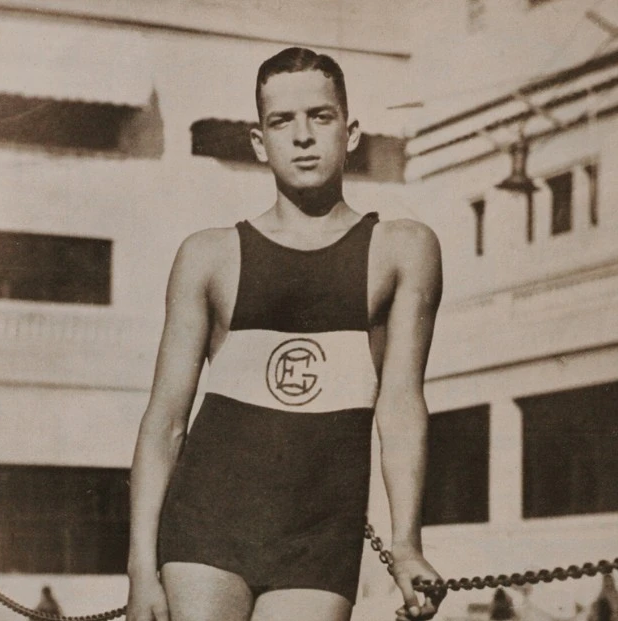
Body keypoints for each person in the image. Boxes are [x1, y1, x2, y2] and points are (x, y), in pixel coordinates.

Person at [126, 46, 444, 621]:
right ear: (258, 141)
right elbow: (165, 422)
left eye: (319, 117)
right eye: (282, 121)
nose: (302, 136)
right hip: (206, 527)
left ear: (350, 133)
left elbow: (400, 405)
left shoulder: (402, 249)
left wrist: (407, 544)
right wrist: (140, 569)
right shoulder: (209, 256)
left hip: (320, 537)